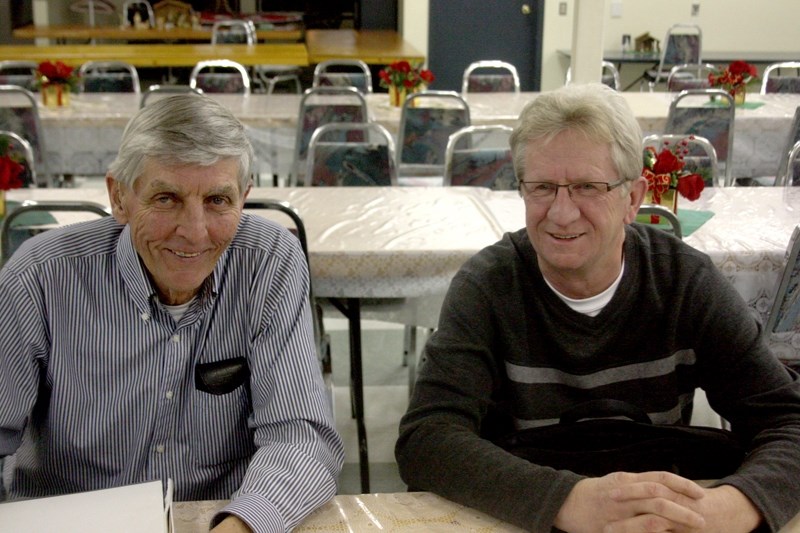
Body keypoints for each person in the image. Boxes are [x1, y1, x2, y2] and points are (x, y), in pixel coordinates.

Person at [396, 83, 800, 533]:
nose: (562, 213)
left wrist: (733, 505)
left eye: (588, 187)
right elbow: (427, 439)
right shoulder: (488, 287)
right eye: (543, 187)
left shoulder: (685, 282)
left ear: (632, 198)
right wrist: (566, 500)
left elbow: (787, 419)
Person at [0, 95, 343, 532]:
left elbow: (301, 436)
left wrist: (244, 523)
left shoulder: (269, 261)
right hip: (68, 518)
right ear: (119, 197)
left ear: (245, 198)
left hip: (217, 518)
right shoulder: (41, 276)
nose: (195, 232)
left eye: (218, 200)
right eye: (167, 198)